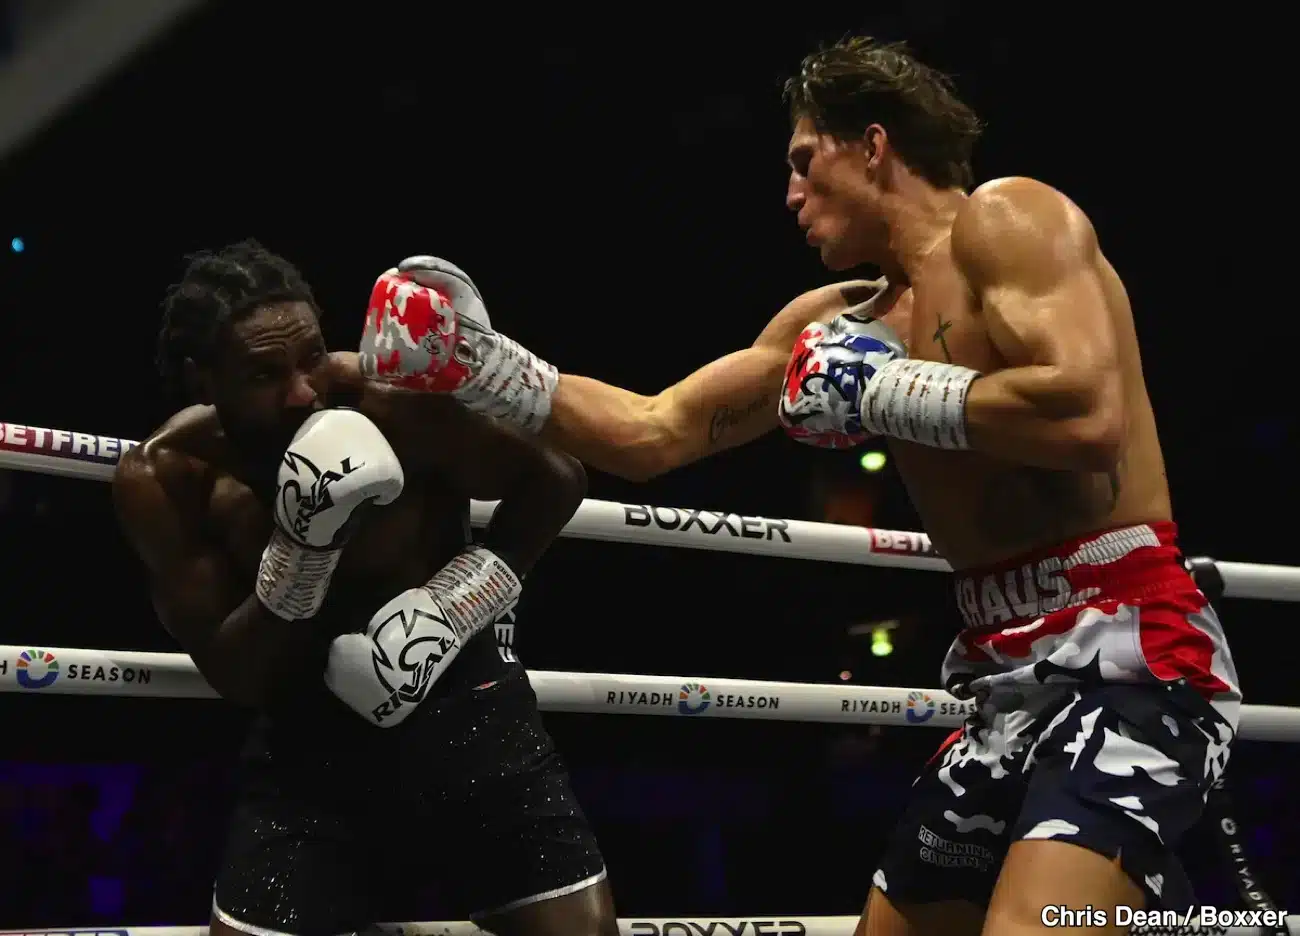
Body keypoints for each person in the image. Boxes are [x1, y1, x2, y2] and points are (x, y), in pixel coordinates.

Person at [354, 36, 1244, 936]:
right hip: (1002, 678)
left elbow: (1090, 418)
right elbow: (654, 432)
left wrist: (885, 390)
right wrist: (476, 364)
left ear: (873, 145)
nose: (790, 195)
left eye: (804, 160)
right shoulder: (835, 323)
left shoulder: (1007, 220)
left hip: (1129, 653)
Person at [112, 240, 617, 936]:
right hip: (311, 750)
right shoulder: (169, 476)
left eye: (312, 357)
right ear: (205, 379)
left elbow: (555, 479)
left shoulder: (389, 400)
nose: (303, 391)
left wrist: (452, 605)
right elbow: (236, 673)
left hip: (467, 708)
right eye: (264, 374)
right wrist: (302, 553)